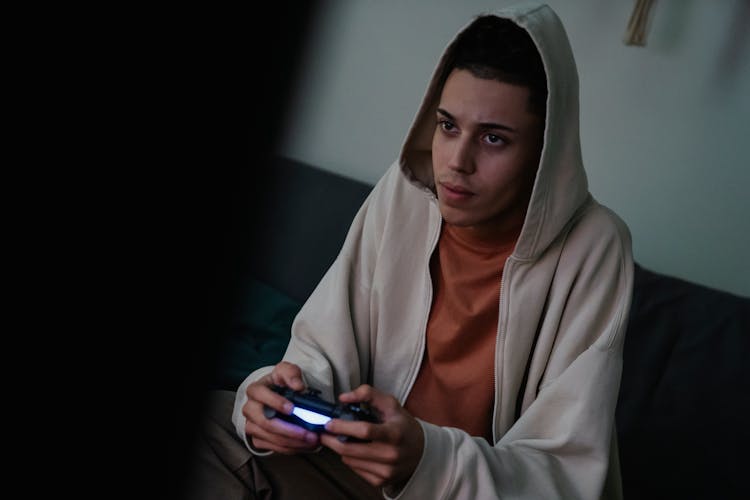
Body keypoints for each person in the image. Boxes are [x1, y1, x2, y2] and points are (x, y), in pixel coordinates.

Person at [186, 2, 633, 499]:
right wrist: (272, 399)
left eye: (493, 138)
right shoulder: (401, 196)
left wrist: (426, 457)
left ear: (544, 152)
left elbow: (564, 476)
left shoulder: (596, 246)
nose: (457, 162)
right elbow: (320, 355)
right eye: (447, 126)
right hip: (355, 474)